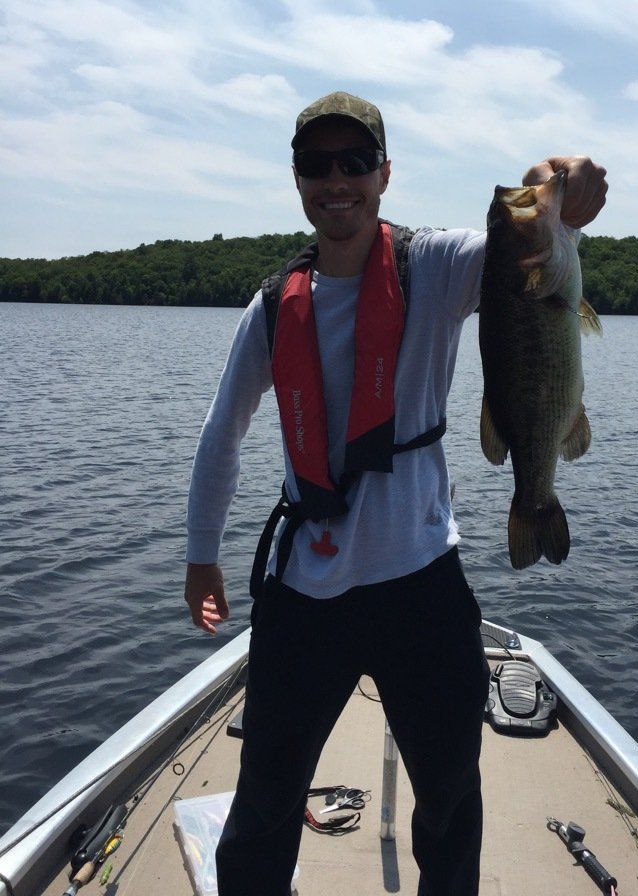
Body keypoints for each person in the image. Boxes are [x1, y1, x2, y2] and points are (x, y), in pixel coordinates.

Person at [184, 91, 608, 896]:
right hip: (306, 591)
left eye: (354, 163)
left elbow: (526, 255)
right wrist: (201, 559)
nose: (335, 181)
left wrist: (556, 181)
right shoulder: (273, 308)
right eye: (317, 165)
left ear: (384, 174)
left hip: (421, 584)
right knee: (266, 804)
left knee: (449, 800)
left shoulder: (438, 266)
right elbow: (220, 438)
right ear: (298, 179)